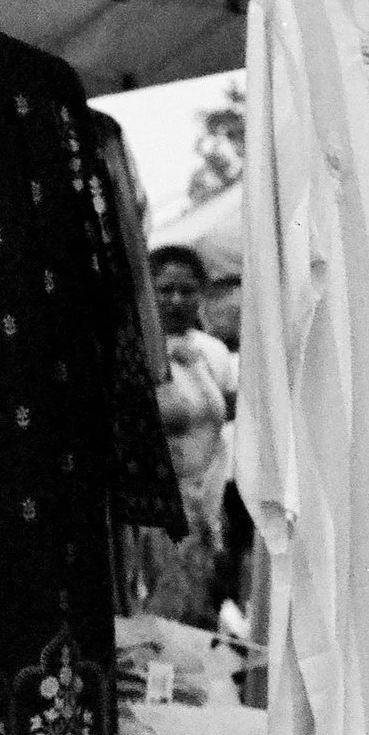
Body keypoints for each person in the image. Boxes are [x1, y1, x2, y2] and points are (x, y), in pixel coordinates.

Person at [129, 245, 238, 626]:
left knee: (202, 620)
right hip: (156, 516)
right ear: (147, 291)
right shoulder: (135, 351)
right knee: (164, 624)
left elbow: (227, 422)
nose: (176, 299)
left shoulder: (215, 353)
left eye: (187, 290)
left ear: (202, 294)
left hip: (208, 509)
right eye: (165, 289)